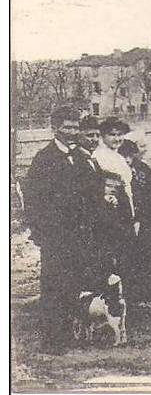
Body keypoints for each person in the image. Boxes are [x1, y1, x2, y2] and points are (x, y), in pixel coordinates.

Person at [21, 107, 90, 353]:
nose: (72, 132)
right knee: (53, 286)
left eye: (75, 127)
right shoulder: (44, 158)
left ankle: (69, 334)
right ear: (55, 128)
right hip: (55, 236)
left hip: (78, 234)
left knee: (73, 283)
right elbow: (32, 199)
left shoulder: (81, 157)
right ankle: (52, 340)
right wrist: (41, 232)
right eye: (67, 127)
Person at [118, 137, 151, 301]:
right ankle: (135, 289)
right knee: (133, 253)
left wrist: (142, 217)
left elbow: (149, 191)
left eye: (130, 155)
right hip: (131, 216)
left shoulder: (142, 169)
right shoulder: (118, 170)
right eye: (124, 156)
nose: (127, 159)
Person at [92, 117, 138, 236]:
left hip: (125, 209)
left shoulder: (119, 157)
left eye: (120, 134)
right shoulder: (99, 156)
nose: (117, 139)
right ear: (103, 136)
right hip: (112, 213)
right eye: (112, 135)